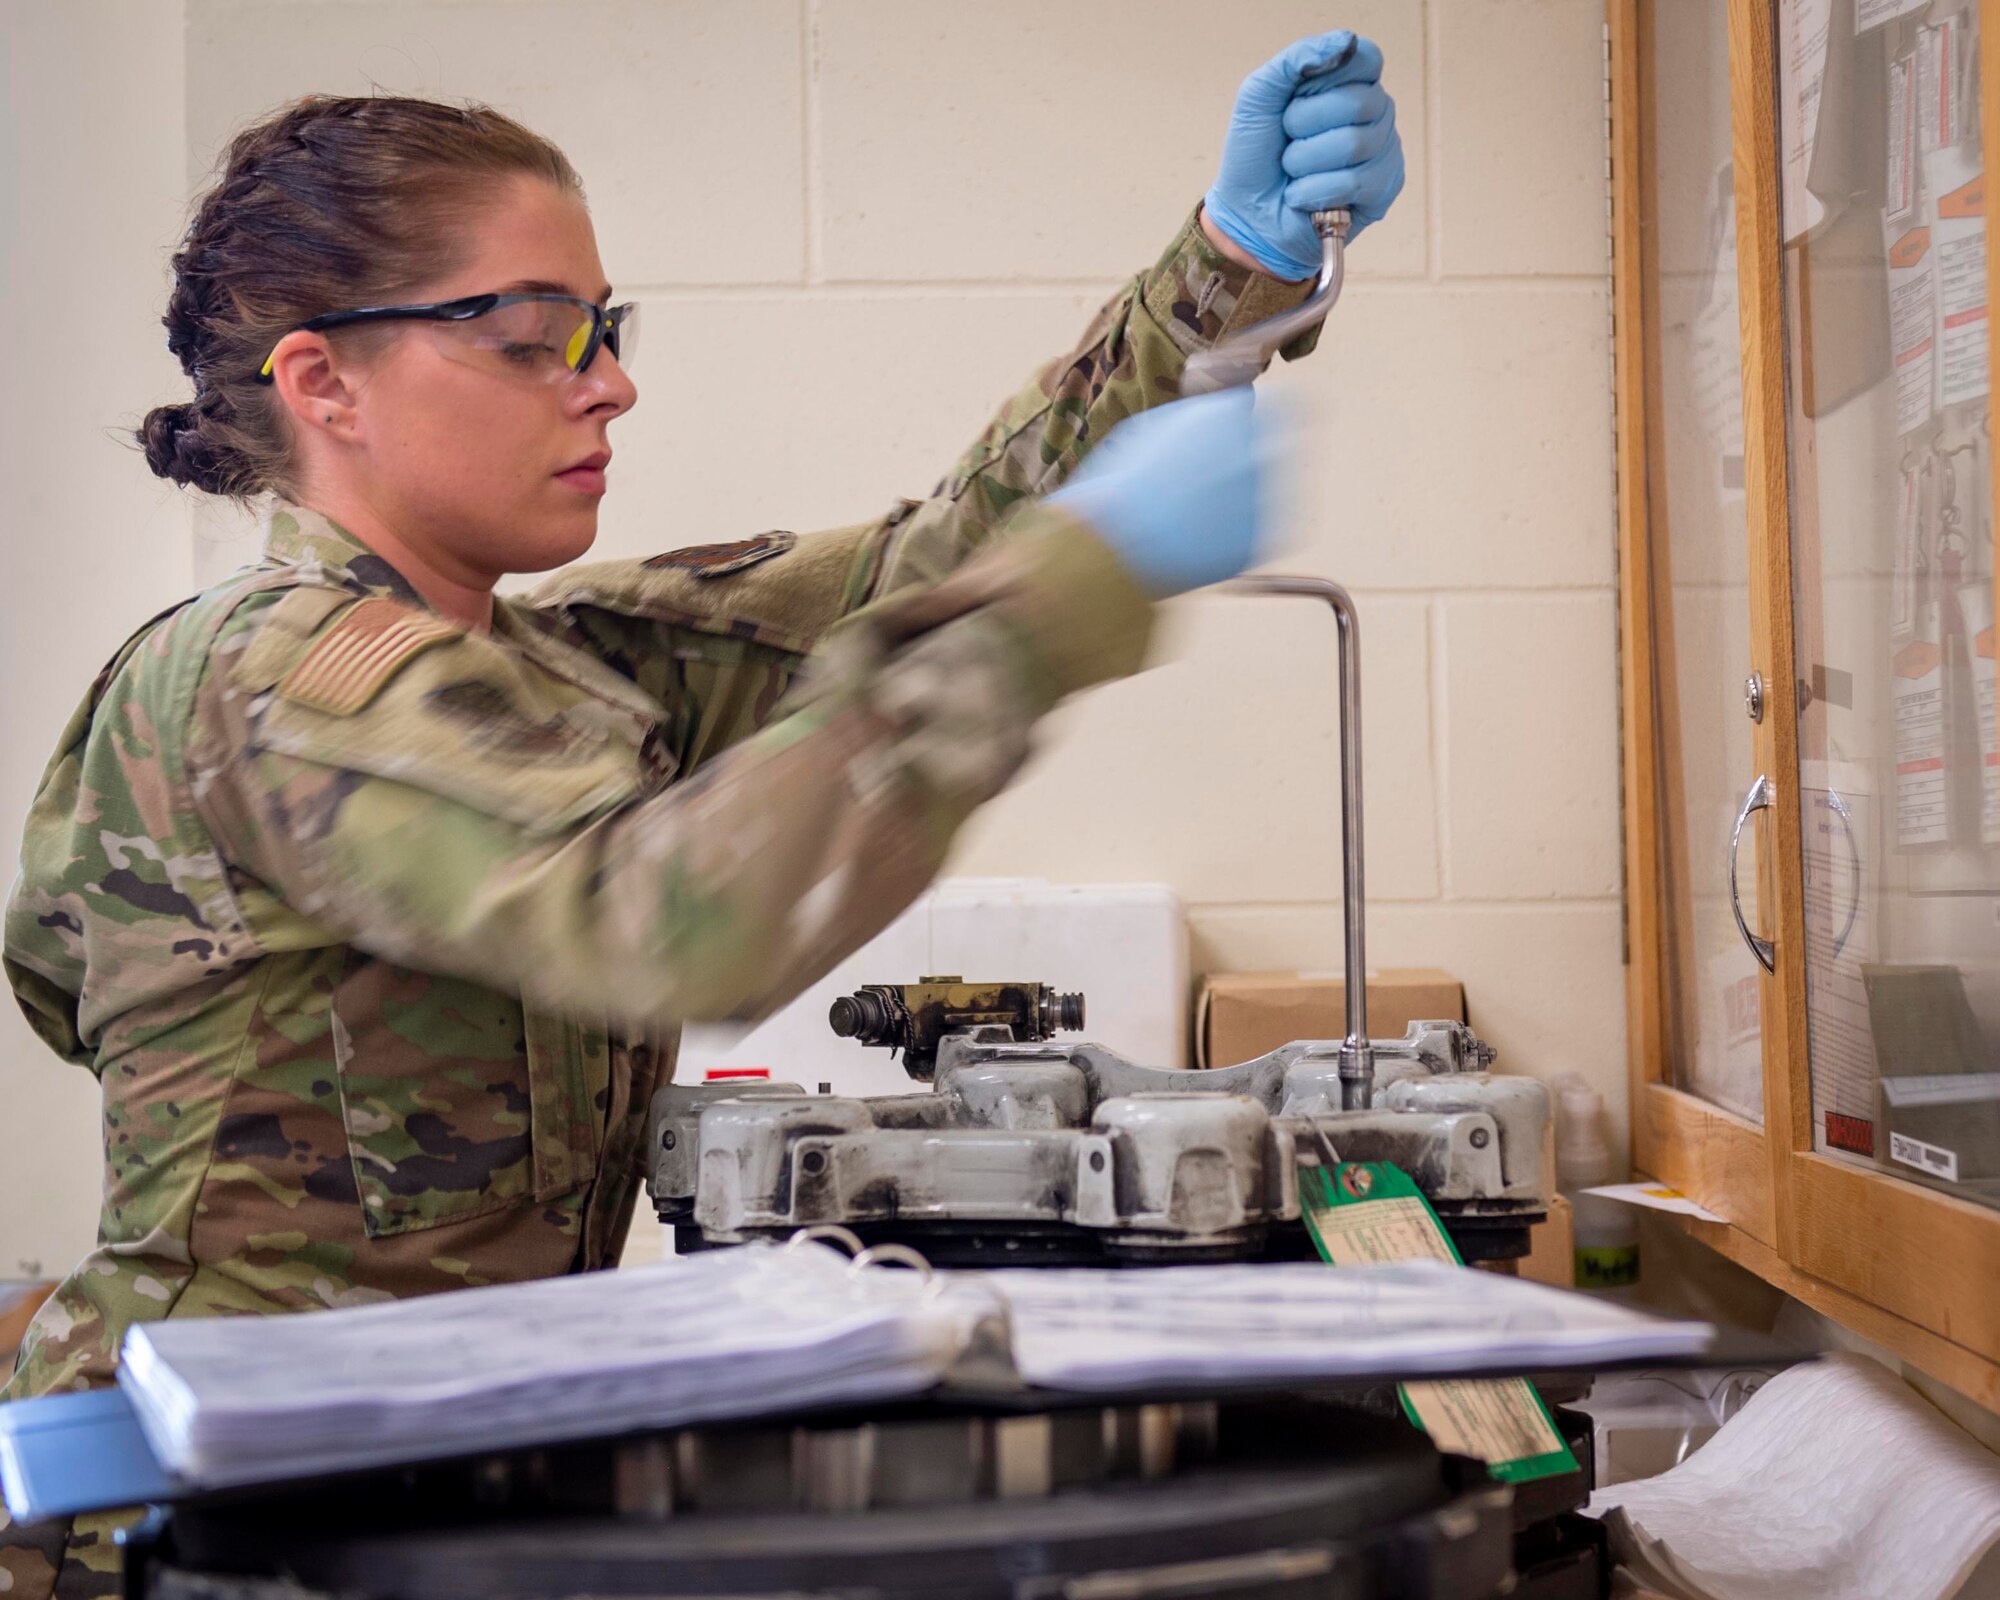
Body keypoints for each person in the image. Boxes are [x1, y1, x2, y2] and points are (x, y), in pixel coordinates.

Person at [0, 30, 1403, 1593]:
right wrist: (1072, 592)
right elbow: (667, 919)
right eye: (531, 335)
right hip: (209, 1533)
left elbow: (930, 569)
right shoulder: (266, 680)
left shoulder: (553, 670)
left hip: (429, 1501)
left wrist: (1223, 280)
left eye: (601, 327)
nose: (609, 382)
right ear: (323, 380)